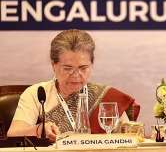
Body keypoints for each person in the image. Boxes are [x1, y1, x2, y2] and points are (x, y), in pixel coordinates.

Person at [7, 29, 139, 142]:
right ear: (54, 65)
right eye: (68, 68)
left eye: (83, 68)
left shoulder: (106, 96)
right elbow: (14, 132)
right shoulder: (37, 93)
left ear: (92, 65)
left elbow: (128, 136)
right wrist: (38, 129)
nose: (76, 74)